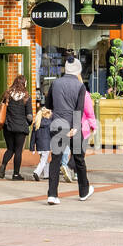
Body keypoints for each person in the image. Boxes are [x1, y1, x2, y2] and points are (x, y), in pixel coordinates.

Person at [46, 57, 93, 205]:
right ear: (78, 70)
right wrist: (75, 128)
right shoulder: (80, 86)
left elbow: (48, 104)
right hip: (73, 127)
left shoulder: (55, 83)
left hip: (57, 125)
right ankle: (83, 191)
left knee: (55, 160)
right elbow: (78, 109)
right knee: (79, 159)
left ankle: (52, 195)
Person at [0, 75, 34, 180]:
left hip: (8, 126)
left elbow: (2, 108)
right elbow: (29, 116)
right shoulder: (26, 97)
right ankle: (16, 174)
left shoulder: (7, 94)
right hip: (20, 128)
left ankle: (3, 164)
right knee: (18, 151)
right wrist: (28, 123)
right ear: (24, 84)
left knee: (10, 149)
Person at [30, 105, 53, 182]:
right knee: (43, 161)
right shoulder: (49, 123)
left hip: (39, 145)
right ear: (46, 114)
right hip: (46, 145)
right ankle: (36, 172)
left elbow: (33, 137)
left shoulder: (36, 124)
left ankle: (46, 175)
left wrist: (32, 147)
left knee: (45, 160)